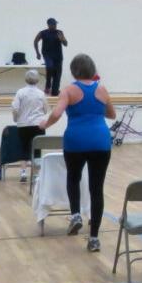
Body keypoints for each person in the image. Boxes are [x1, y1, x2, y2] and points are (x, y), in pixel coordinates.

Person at [41, 53, 115, 252]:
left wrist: (44, 123)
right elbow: (112, 114)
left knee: (73, 177)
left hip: (76, 141)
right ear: (93, 69)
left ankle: (75, 214)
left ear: (74, 70)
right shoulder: (101, 89)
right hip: (100, 141)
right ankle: (94, 238)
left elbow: (56, 113)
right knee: (96, 188)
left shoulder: (69, 90)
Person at [10, 69, 47, 183]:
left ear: (26, 79)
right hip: (38, 125)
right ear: (37, 79)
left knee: (24, 147)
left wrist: (16, 119)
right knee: (37, 150)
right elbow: (45, 110)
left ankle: (23, 172)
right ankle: (36, 174)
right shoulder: (41, 93)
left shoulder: (20, 92)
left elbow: (15, 108)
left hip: (23, 125)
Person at [34, 17, 68, 96]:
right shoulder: (43, 33)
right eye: (53, 24)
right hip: (47, 55)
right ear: (49, 25)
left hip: (58, 56)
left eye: (56, 24)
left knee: (57, 75)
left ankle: (55, 92)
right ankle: (48, 85)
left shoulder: (59, 32)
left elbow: (66, 44)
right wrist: (37, 53)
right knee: (50, 67)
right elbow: (35, 41)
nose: (55, 26)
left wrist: (62, 39)